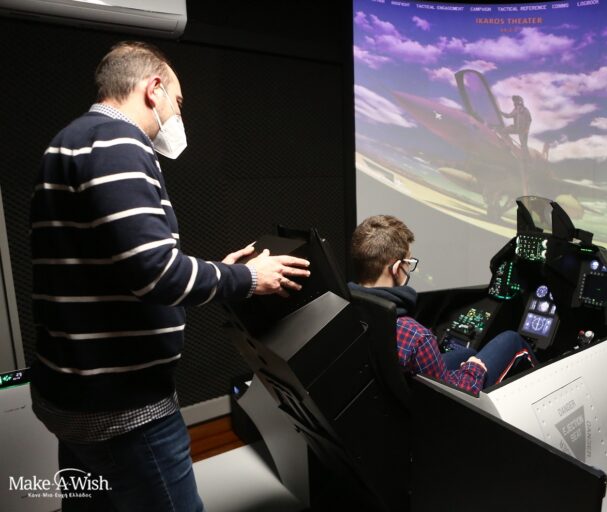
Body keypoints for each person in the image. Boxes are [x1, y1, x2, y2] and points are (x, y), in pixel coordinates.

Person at [29, 41, 310, 511]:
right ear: (153, 88)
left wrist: (221, 269)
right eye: (178, 102)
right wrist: (247, 279)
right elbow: (155, 273)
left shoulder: (70, 140)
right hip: (124, 407)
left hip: (73, 394)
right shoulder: (117, 143)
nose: (179, 115)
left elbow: (119, 267)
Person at [349, 215, 535, 396]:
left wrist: (469, 359)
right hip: (432, 409)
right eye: (409, 263)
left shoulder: (347, 310)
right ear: (397, 269)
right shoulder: (416, 336)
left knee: (467, 353)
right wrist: (475, 369)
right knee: (512, 340)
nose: (410, 269)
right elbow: (453, 397)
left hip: (390, 394)